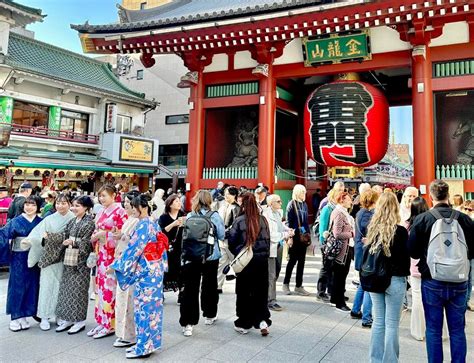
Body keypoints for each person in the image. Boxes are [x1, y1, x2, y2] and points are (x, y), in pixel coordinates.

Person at [408, 180, 474, 363]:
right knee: (457, 330)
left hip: (432, 280)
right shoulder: (464, 219)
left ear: (431, 196)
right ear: (447, 195)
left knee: (434, 330)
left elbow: (412, 251)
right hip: (459, 280)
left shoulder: (423, 219)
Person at [111, 194, 166, 359]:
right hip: (155, 270)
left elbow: (133, 249)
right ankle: (150, 343)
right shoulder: (153, 222)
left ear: (142, 207)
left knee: (143, 309)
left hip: (145, 272)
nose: (131, 209)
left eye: (133, 206)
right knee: (153, 310)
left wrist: (116, 266)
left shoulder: (143, 225)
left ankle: (143, 348)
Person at [366, 192, 410, 362]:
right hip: (395, 279)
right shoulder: (400, 232)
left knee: (378, 322)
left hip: (375, 279)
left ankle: (375, 359)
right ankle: (390, 360)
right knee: (392, 324)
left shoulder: (372, 230)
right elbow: (405, 259)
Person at [22, 193, 75, 331]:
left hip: (66, 256)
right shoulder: (49, 219)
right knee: (46, 286)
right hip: (49, 257)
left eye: (64, 203)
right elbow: (38, 234)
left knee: (63, 288)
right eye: (58, 203)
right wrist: (30, 240)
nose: (60, 206)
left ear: (69, 204)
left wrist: (52, 237)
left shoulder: (74, 219)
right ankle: (44, 316)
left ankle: (60, 315)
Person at [179, 190, 225, 337]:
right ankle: (210, 315)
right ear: (209, 201)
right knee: (210, 285)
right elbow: (222, 235)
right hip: (211, 255)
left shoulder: (191, 216)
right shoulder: (215, 216)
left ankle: (188, 323)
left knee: (190, 288)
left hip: (192, 256)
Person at [228, 192, 272, 335]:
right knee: (261, 291)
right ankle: (262, 320)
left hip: (246, 263)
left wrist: (238, 252)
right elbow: (268, 241)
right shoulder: (263, 220)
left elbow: (232, 241)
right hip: (262, 261)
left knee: (244, 292)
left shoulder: (239, 220)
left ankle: (244, 322)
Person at [89, 185, 127, 339]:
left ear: (114, 195)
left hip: (112, 255)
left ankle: (110, 324)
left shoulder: (120, 212)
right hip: (101, 254)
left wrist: (103, 234)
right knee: (100, 289)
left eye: (104, 195)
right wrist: (95, 236)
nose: (101, 199)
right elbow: (96, 230)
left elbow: (122, 236)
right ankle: (102, 321)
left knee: (109, 290)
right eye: (100, 196)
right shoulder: (101, 211)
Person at [0, 195, 43, 331]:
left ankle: (24, 315)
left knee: (32, 286)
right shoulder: (15, 221)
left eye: (33, 205)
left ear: (38, 207)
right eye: (27, 204)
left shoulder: (41, 221)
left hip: (35, 257)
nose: (29, 207)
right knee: (17, 286)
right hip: (19, 257)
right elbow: (3, 235)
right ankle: (15, 316)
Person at [54, 196, 96, 334]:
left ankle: (79, 321)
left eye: (78, 206)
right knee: (66, 289)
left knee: (78, 291)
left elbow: (88, 242)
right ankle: (67, 318)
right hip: (69, 257)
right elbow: (65, 235)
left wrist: (73, 242)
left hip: (81, 262)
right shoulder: (72, 221)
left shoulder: (89, 223)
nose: (74, 208)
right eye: (74, 205)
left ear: (86, 208)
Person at [112, 191, 140, 347]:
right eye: (126, 201)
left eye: (130, 202)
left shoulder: (138, 222)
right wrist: (119, 236)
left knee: (129, 299)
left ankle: (130, 335)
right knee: (122, 299)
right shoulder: (129, 219)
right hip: (122, 262)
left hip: (130, 265)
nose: (126, 204)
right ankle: (123, 332)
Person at [351, 189, 379, 327]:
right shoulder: (369, 214)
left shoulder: (360, 212)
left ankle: (356, 309)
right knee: (368, 286)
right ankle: (367, 317)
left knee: (363, 283)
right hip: (366, 253)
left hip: (360, 251)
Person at [263, 194, 294, 311]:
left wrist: (287, 229)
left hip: (279, 246)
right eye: (278, 201)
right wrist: (286, 234)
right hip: (271, 247)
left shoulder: (277, 213)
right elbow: (271, 235)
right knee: (271, 275)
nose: (281, 203)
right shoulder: (266, 215)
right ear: (271, 203)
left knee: (276, 272)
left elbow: (280, 225)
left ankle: (270, 296)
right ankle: (270, 300)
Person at [283, 184, 310, 296]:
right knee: (292, 261)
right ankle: (286, 284)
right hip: (294, 237)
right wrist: (290, 238)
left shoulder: (304, 204)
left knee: (302, 263)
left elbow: (306, 222)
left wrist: (308, 237)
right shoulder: (291, 204)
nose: (304, 193)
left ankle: (299, 285)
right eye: (302, 191)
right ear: (297, 192)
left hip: (303, 238)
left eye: (305, 191)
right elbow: (289, 223)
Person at [329, 191, 354, 312]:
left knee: (340, 275)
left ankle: (336, 298)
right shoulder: (339, 213)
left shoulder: (343, 212)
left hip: (345, 248)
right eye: (349, 199)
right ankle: (339, 302)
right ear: (342, 200)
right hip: (341, 251)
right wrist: (352, 233)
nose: (351, 201)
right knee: (340, 275)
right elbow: (337, 233)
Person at [158, 194, 185, 295]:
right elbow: (161, 232)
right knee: (166, 270)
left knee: (181, 270)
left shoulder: (183, 215)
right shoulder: (164, 217)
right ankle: (161, 293)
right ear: (170, 204)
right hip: (167, 247)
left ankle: (181, 295)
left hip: (180, 246)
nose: (179, 203)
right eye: (176, 201)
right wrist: (174, 224)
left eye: (179, 201)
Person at [217, 186, 240, 293]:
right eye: (225, 193)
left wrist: (225, 233)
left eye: (229, 194)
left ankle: (240, 285)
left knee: (237, 263)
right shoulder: (222, 206)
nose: (226, 195)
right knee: (221, 263)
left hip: (231, 240)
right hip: (222, 239)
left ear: (234, 195)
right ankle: (218, 286)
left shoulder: (237, 208)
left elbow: (235, 225)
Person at [316, 188, 337, 301]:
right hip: (326, 243)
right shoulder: (327, 209)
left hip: (331, 243)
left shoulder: (334, 208)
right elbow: (322, 227)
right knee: (325, 267)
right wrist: (324, 243)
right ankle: (320, 291)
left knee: (331, 268)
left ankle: (330, 290)